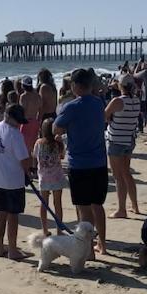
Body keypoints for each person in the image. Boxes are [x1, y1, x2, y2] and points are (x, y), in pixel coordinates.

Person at [53, 68, 108, 255]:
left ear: (75, 85)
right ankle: (102, 244)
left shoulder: (72, 106)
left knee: (84, 209)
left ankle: (89, 250)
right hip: (99, 161)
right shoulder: (98, 102)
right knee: (98, 206)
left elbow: (56, 129)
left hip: (80, 163)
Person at [0, 104, 32, 260]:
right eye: (18, 121)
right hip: (13, 181)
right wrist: (28, 173)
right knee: (13, 215)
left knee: (1, 213)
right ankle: (12, 249)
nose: (19, 124)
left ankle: (0, 246)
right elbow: (24, 160)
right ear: (9, 117)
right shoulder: (14, 134)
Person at [105, 74, 141, 218]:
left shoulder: (118, 101)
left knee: (118, 176)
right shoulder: (136, 100)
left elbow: (104, 115)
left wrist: (110, 119)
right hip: (128, 139)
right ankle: (135, 205)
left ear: (121, 85)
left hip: (116, 140)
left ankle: (122, 209)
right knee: (126, 173)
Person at [33, 118, 66, 236]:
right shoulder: (58, 144)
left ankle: (45, 229)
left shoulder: (38, 143)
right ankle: (59, 230)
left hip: (44, 177)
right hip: (57, 177)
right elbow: (62, 156)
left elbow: (35, 156)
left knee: (44, 204)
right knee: (58, 204)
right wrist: (60, 142)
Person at [18, 75, 42, 152]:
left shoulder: (23, 96)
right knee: (33, 146)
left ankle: (27, 163)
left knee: (24, 147)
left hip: (26, 122)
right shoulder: (37, 95)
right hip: (35, 121)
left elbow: (22, 110)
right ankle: (33, 163)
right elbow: (40, 107)